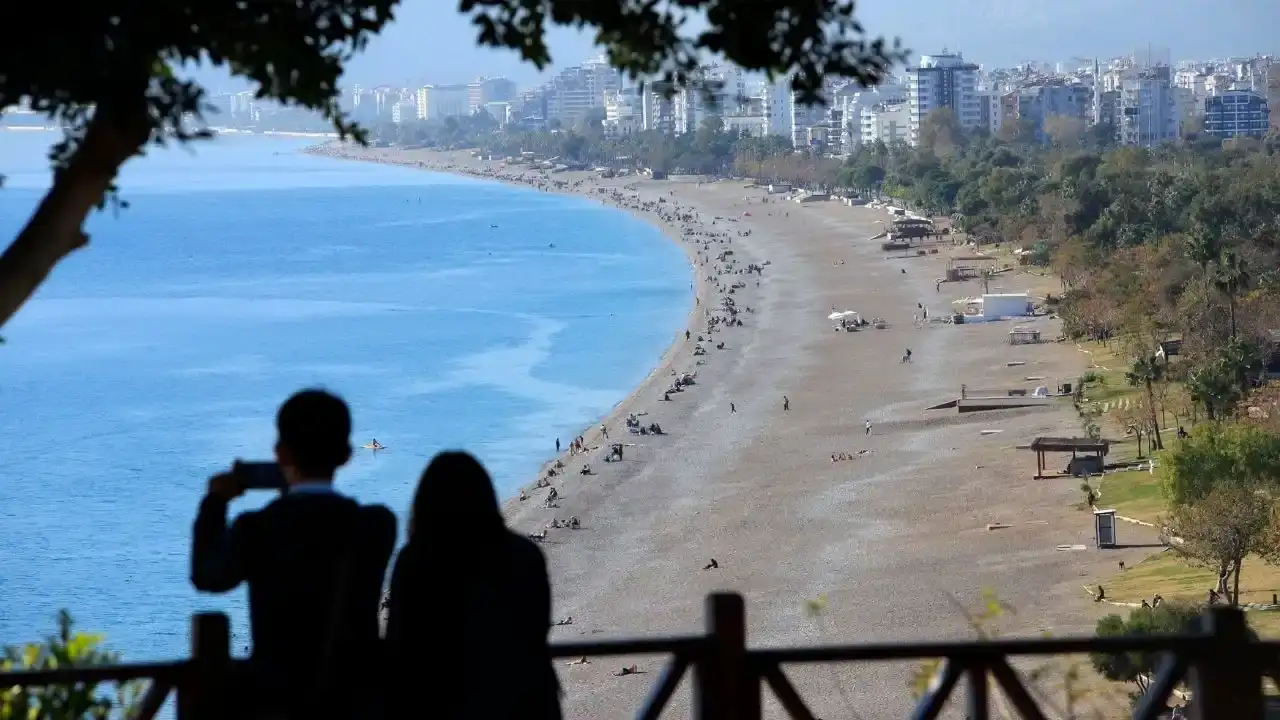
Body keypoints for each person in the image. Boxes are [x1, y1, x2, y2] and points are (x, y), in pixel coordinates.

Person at [191, 389, 397, 718]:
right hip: (352, 704)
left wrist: (215, 503)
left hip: (278, 704)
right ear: (345, 455)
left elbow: (206, 575)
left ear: (280, 453)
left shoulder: (256, 529)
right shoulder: (375, 525)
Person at [384, 451, 561, 720]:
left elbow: (400, 645)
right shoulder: (524, 553)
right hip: (525, 700)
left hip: (440, 703)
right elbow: (538, 629)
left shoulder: (415, 560)